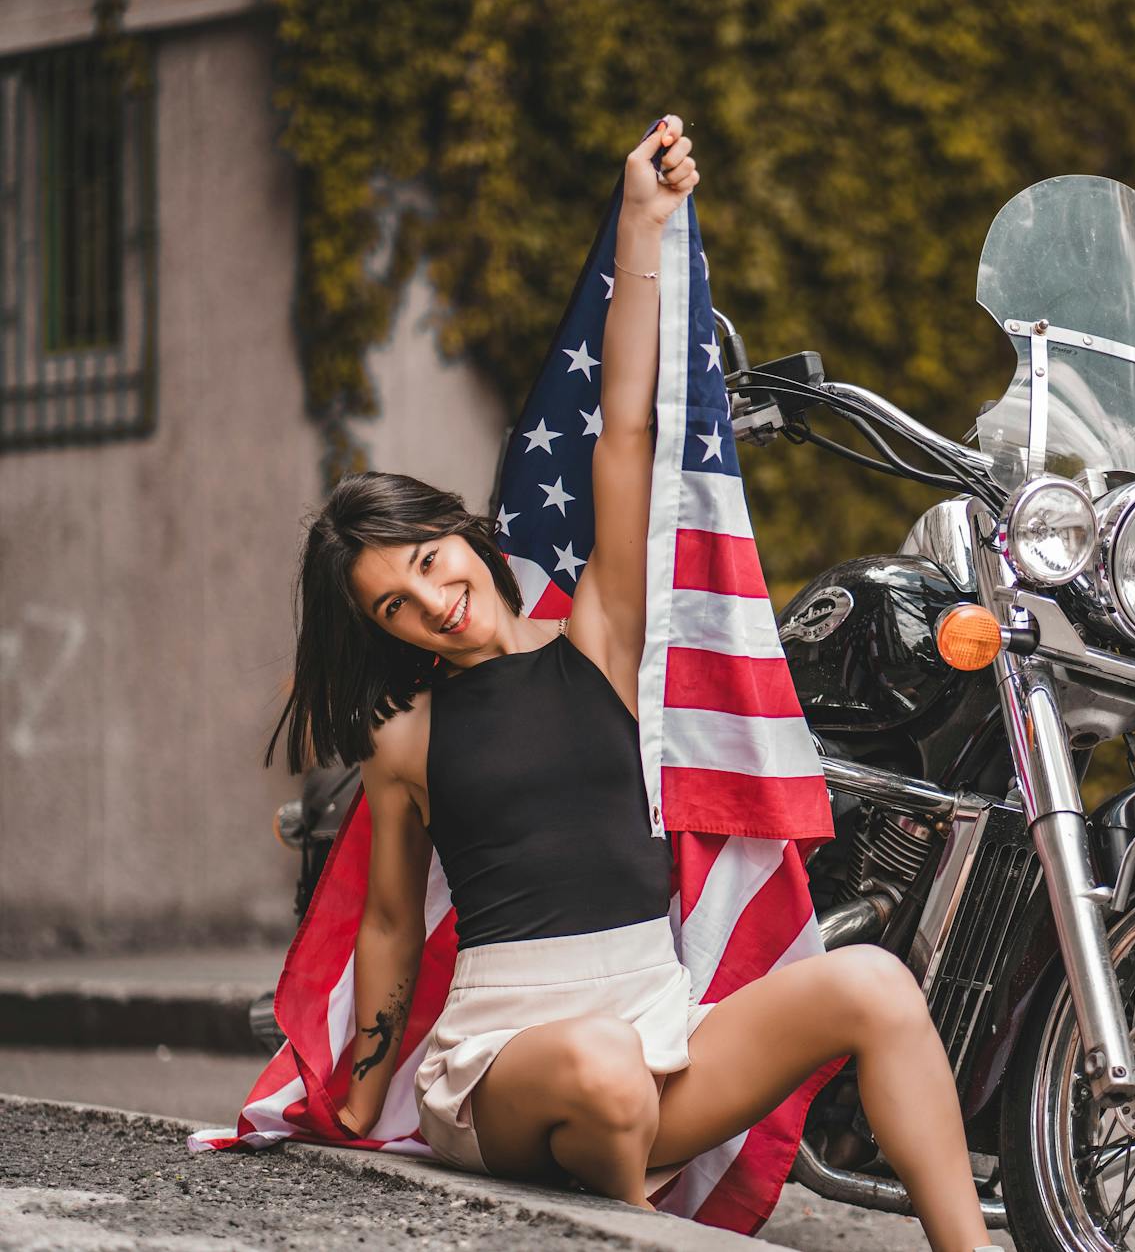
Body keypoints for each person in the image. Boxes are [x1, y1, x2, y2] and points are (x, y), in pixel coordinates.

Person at [267, 117, 994, 1252]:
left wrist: (642, 226)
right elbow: (394, 923)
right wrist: (361, 1097)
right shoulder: (405, 732)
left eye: (426, 562)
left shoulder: (596, 639)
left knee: (873, 985)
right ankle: (643, 1232)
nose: (430, 601)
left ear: (459, 532)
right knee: (602, 1072)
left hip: (659, 1029)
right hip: (511, 1066)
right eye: (393, 607)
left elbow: (629, 431)